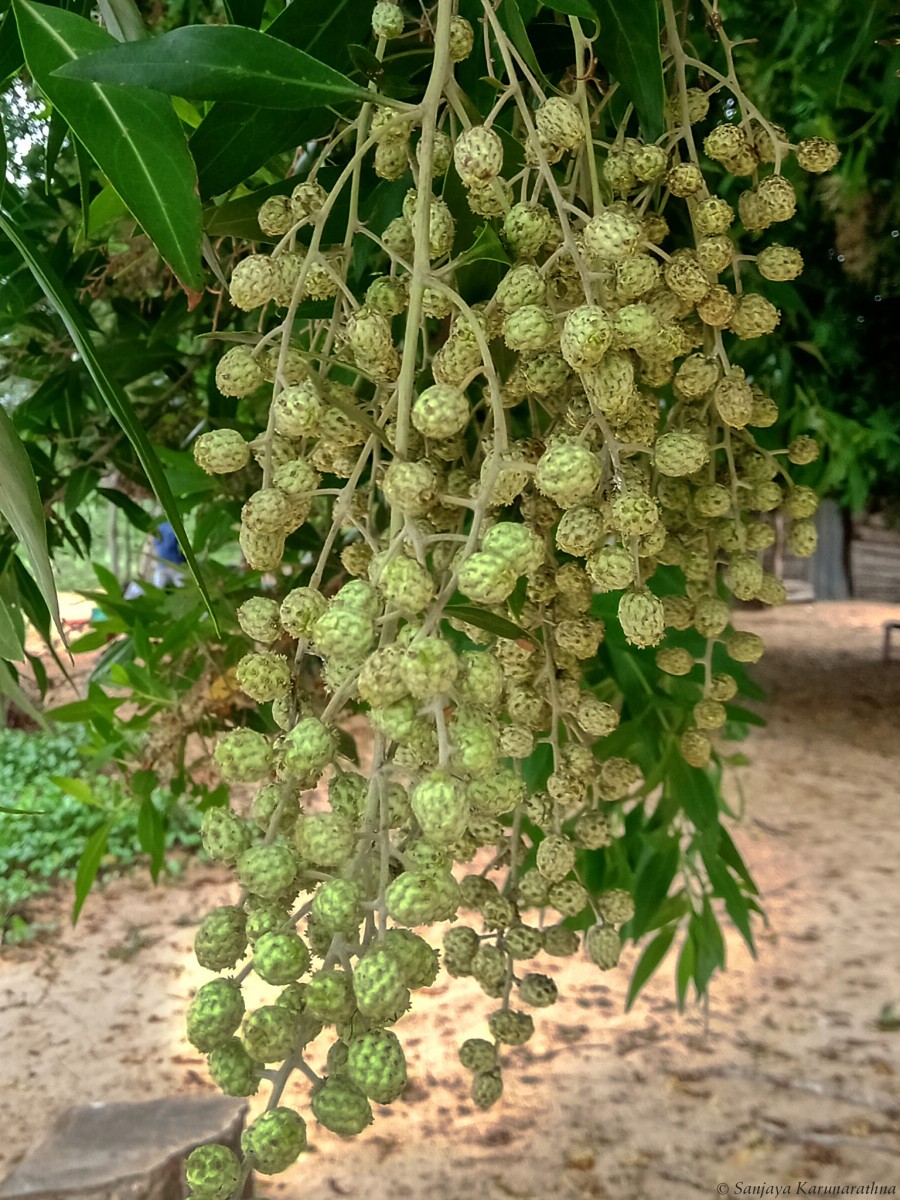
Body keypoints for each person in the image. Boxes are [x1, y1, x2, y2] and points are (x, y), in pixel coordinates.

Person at [150, 521, 185, 589]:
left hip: (170, 566)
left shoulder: (158, 529)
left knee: (158, 588)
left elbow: (155, 547)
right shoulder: (173, 527)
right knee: (183, 587)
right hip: (175, 565)